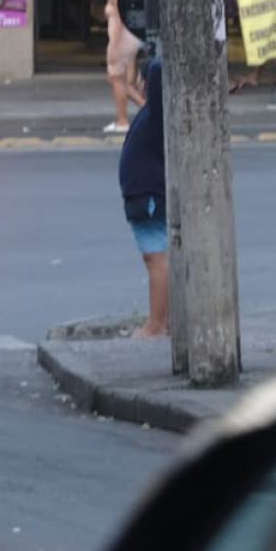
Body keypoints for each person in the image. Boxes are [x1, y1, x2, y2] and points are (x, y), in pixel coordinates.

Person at [118, 55, 168, 339]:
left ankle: (156, 325)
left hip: (148, 193)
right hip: (144, 191)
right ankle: (166, 321)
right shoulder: (151, 111)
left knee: (156, 259)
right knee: (158, 258)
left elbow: (159, 70)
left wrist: (153, 66)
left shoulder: (158, 110)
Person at [103, 0, 144, 133]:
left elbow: (120, 21)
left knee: (117, 79)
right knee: (118, 80)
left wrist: (114, 46)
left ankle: (123, 120)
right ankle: (147, 108)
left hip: (120, 39)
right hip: (124, 39)